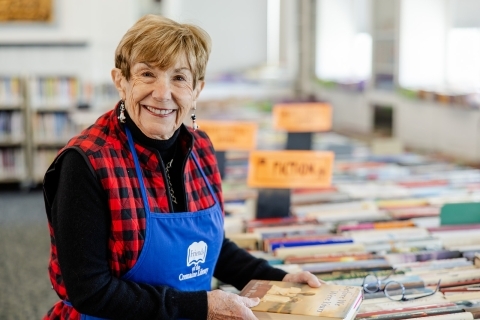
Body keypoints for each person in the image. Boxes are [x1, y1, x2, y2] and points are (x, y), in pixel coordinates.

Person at [42, 14, 322, 320]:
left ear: (197, 89)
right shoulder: (86, 163)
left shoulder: (200, 148)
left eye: (179, 78)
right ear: (121, 81)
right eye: (147, 74)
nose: (162, 93)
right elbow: (91, 291)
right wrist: (200, 306)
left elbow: (210, 248)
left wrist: (277, 280)